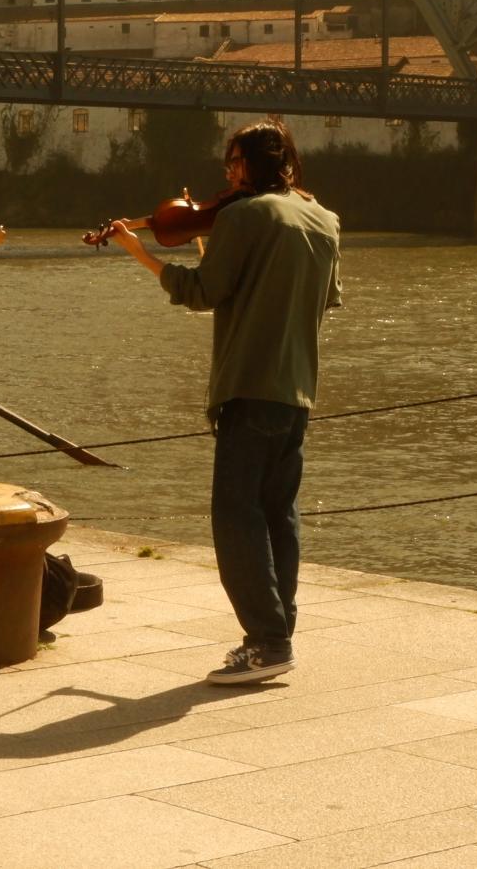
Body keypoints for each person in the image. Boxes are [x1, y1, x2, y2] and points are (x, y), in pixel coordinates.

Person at [106, 120, 341, 686]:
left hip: (248, 385)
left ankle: (267, 642)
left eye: (233, 162)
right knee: (278, 515)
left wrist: (139, 252)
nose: (228, 173)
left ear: (252, 164)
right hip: (298, 391)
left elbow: (202, 292)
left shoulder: (241, 216)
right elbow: (327, 298)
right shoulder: (325, 220)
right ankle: (274, 635)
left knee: (235, 517)